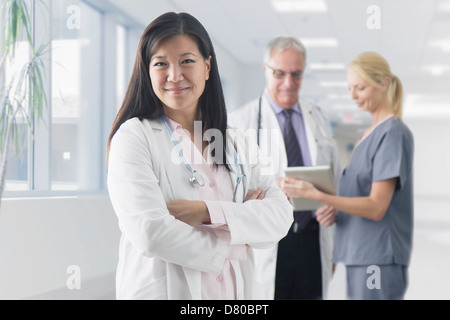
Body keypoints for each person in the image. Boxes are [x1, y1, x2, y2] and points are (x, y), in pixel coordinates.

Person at [106, 12, 293, 300]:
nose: (174, 75)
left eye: (186, 61)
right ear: (147, 70)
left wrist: (207, 212)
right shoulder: (134, 138)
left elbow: (280, 216)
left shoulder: (236, 141)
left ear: (207, 66)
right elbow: (151, 233)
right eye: (160, 64)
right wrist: (239, 231)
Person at [281, 51, 414, 300]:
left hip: (377, 258)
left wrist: (318, 195)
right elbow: (359, 196)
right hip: (358, 254)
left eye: (360, 88)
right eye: (350, 88)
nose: (353, 95)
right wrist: (336, 209)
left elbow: (376, 207)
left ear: (383, 83)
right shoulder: (368, 135)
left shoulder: (393, 133)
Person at [229, 36, 340, 300]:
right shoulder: (239, 122)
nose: (289, 83)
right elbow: (227, 188)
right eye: (279, 73)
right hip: (270, 241)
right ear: (265, 68)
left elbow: (334, 176)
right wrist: (270, 187)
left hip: (314, 238)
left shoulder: (318, 117)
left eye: (296, 74)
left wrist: (332, 202)